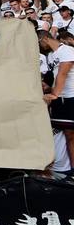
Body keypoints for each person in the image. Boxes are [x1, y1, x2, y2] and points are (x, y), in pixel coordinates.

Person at [39, 30, 74, 172]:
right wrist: (47, 87)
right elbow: (54, 77)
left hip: (71, 96)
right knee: (68, 135)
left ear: (44, 38)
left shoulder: (66, 50)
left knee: (71, 135)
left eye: (39, 42)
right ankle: (72, 170)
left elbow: (63, 73)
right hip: (61, 99)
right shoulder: (51, 56)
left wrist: (54, 94)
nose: (39, 46)